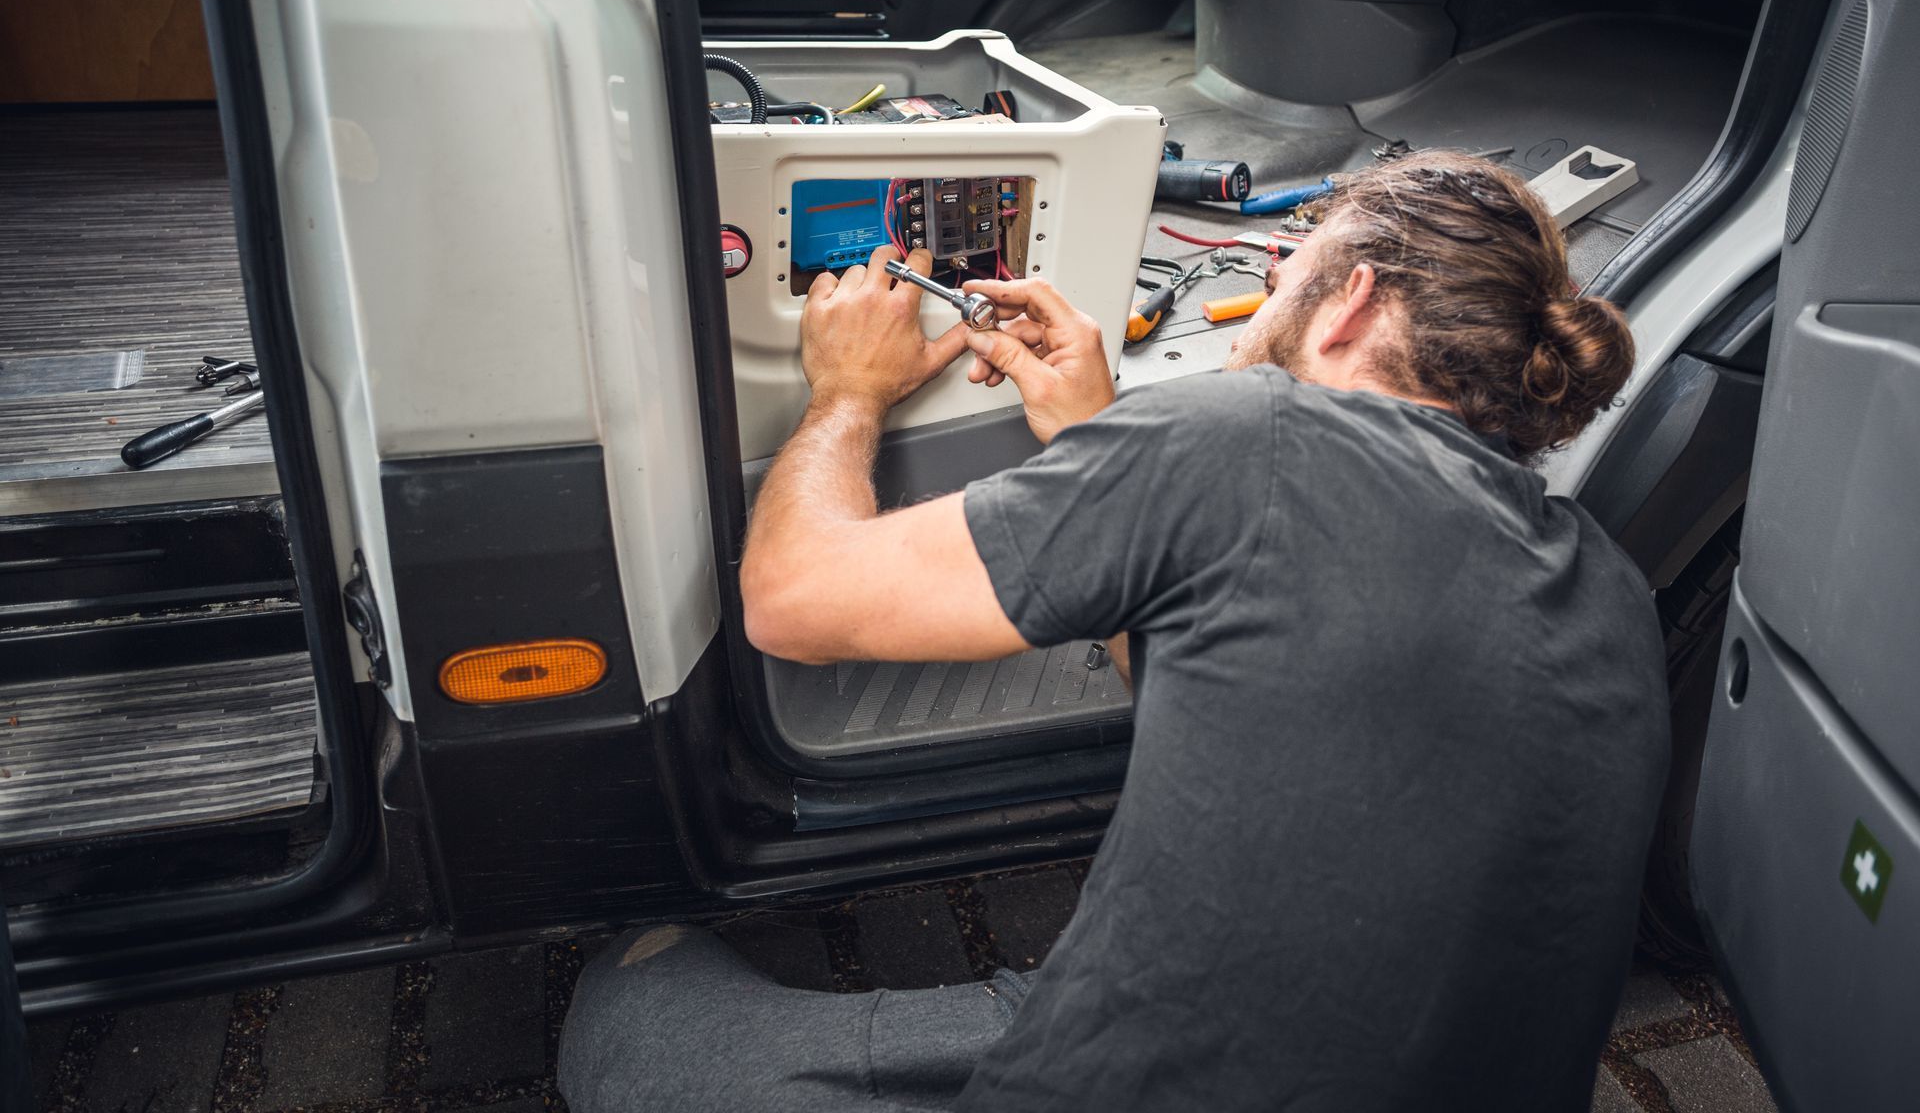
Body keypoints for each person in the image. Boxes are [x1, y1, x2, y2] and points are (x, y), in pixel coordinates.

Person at [560, 151, 1669, 1112]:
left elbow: (792, 599)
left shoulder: (1259, 434)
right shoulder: (1610, 588)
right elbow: (1228, 667)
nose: (1269, 284)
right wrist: (1100, 436)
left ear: (1353, 303)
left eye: (1286, 267)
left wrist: (847, 391)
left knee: (633, 999)